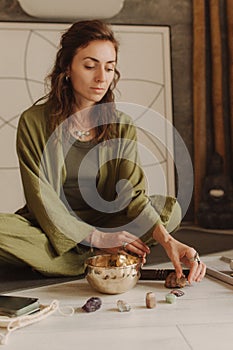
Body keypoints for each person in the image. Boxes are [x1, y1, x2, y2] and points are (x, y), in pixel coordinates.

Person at [0, 20, 206, 283]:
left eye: (109, 68)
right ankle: (97, 254)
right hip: (50, 228)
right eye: (89, 66)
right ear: (67, 68)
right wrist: (97, 239)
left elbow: (133, 195)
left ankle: (76, 258)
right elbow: (42, 200)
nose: (101, 78)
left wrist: (168, 241)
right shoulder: (33, 122)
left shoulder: (122, 125)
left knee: (169, 210)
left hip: (110, 223)